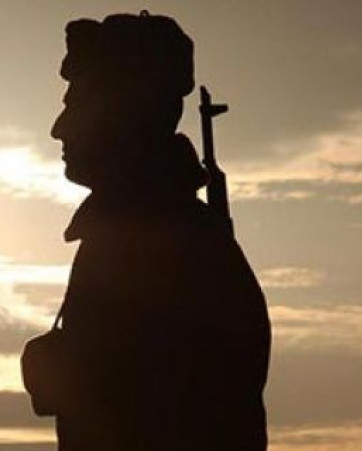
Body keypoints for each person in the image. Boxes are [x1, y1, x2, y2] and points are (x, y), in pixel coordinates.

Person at [49, 12, 271, 450]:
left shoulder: (161, 250)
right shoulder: (128, 238)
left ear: (125, 115)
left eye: (78, 104)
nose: (59, 128)